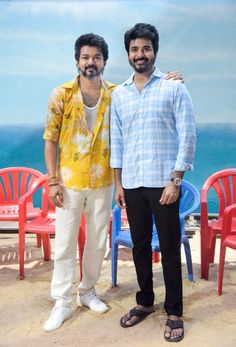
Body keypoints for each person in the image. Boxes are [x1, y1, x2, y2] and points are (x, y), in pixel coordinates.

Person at [43, 32, 184, 333]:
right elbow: (50, 140)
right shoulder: (62, 94)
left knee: (97, 243)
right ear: (77, 60)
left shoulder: (115, 93)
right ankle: (62, 301)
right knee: (66, 244)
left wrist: (171, 78)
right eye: (85, 57)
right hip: (69, 182)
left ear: (105, 61)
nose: (90, 62)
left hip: (103, 183)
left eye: (96, 57)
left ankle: (87, 292)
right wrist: (52, 180)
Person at [110, 23, 196, 343]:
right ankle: (145, 301)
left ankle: (174, 310)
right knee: (140, 246)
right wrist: (118, 184)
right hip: (132, 184)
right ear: (128, 54)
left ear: (154, 51)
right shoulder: (118, 95)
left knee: (170, 248)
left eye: (146, 48)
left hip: (164, 184)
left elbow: (187, 135)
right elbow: (116, 142)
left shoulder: (174, 87)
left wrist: (176, 180)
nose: (140, 54)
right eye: (134, 49)